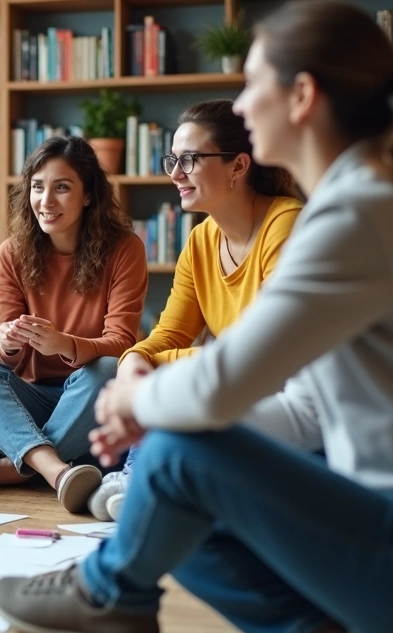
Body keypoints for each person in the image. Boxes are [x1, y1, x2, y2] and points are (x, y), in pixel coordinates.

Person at [0, 3, 393, 633]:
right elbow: (305, 409)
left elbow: (227, 379)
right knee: (164, 477)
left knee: (174, 456)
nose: (242, 106)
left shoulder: (357, 213)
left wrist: (142, 397)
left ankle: (108, 593)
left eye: (252, 84)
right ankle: (308, 630)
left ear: (301, 95)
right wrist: (151, 410)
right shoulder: (363, 199)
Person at [86, 100, 305, 522]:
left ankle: (137, 478)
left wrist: (156, 367)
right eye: (173, 159)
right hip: (232, 382)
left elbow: (266, 354)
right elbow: (166, 336)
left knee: (173, 376)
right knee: (129, 370)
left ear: (238, 166)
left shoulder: (285, 225)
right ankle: (137, 476)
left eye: (189, 159)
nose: (174, 173)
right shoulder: (202, 240)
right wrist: (133, 365)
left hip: (285, 399)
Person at [0, 136, 148, 513]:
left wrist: (64, 344)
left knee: (108, 369)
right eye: (38, 187)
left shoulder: (125, 248)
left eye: (62, 188)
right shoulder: (12, 252)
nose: (46, 201)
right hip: (34, 401)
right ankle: (59, 471)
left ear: (89, 195)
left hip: (92, 401)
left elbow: (123, 342)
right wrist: (8, 343)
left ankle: (14, 467)